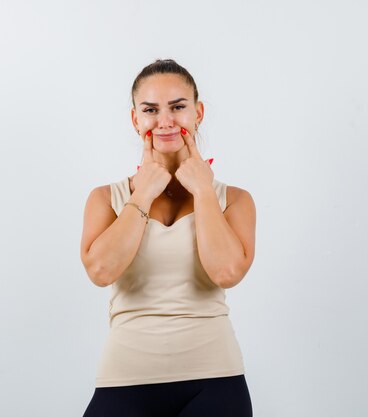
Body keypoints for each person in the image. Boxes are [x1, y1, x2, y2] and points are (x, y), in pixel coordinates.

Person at [79, 59, 256, 417]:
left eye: (178, 107)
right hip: (125, 379)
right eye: (150, 110)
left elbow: (226, 273)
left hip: (215, 379)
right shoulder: (106, 198)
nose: (165, 121)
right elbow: (100, 271)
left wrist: (203, 192)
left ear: (198, 112)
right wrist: (142, 194)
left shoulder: (233, 199)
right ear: (135, 119)